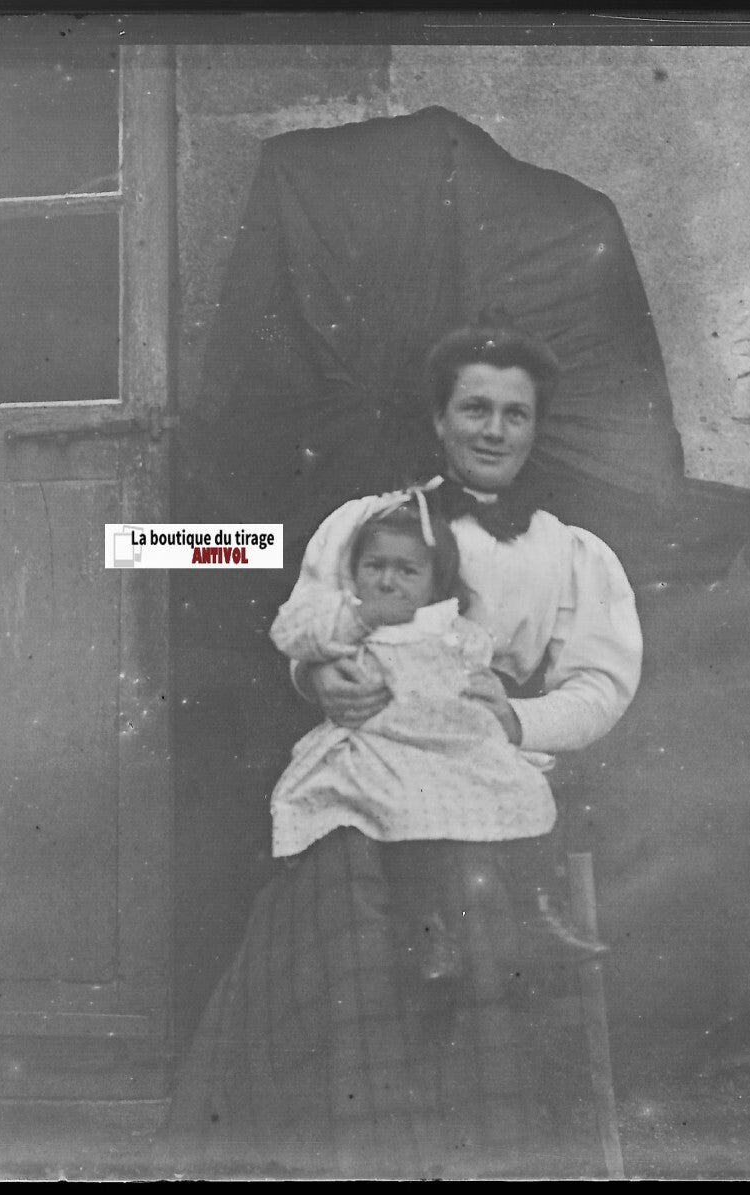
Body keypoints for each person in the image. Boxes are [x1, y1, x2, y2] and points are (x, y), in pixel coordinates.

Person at [164, 317, 642, 1177]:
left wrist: (518, 722)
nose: (494, 430)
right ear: (439, 420)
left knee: (472, 877)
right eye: (475, 409)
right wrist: (321, 683)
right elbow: (312, 632)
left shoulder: (570, 553)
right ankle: (349, 1138)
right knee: (343, 875)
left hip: (480, 768)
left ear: (535, 427)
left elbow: (601, 684)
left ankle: (471, 1144)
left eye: (515, 414)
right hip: (368, 758)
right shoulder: (368, 527)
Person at [269, 499, 573, 984]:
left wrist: (482, 685)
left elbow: (475, 667)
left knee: (526, 789)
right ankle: (432, 938)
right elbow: (289, 633)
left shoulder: (446, 625)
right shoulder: (349, 621)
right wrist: (358, 620)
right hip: (387, 746)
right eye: (375, 567)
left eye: (407, 570)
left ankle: (541, 909)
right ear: (356, 571)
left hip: (453, 746)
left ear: (435, 582)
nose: (388, 582)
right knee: (407, 815)